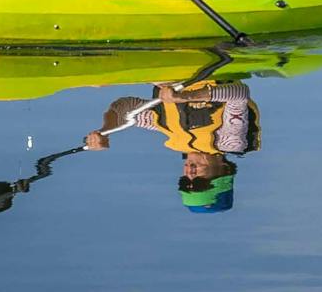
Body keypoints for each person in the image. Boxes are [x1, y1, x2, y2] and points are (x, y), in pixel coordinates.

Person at [88, 79, 259, 213]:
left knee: (97, 83)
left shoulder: (171, 130)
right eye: (199, 182)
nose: (190, 174)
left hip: (163, 73)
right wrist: (185, 97)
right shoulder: (228, 141)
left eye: (184, 182)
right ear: (223, 171)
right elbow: (239, 94)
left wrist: (105, 131)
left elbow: (124, 107)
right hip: (208, 66)